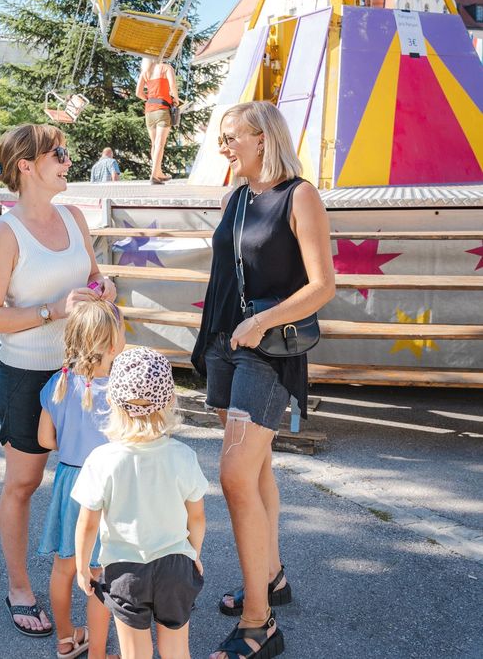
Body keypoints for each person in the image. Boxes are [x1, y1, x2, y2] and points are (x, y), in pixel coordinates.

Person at [191, 101, 335, 659]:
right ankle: (270, 576)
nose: (224, 146)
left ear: (262, 138)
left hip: (268, 353)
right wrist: (213, 341)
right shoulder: (236, 197)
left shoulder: (299, 196)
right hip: (228, 348)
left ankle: (260, 623)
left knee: (233, 475)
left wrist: (260, 321)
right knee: (257, 470)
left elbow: (322, 285)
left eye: (231, 137)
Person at [0, 123, 117, 639]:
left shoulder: (75, 217)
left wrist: (104, 288)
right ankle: (20, 588)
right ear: (27, 166)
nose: (67, 157)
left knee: (93, 477)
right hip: (27, 376)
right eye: (58, 152)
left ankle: (95, 577)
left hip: (85, 375)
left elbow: (96, 275)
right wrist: (52, 309)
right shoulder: (4, 234)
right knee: (24, 483)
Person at [73, 347, 208, 659]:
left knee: (135, 654)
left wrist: (82, 569)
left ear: (112, 399)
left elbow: (88, 522)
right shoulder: (182, 457)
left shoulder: (102, 460)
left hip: (125, 570)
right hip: (175, 565)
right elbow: (197, 518)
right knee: (177, 651)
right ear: (169, 400)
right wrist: (193, 554)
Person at [37, 300, 125, 659]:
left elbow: (45, 440)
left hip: (68, 484)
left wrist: (71, 446)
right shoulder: (117, 390)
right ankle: (99, 654)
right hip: (104, 490)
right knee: (98, 576)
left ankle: (65, 638)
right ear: (110, 345)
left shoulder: (58, 383)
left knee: (63, 567)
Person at [135, 57, 180, 185]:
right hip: (162, 109)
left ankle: (158, 172)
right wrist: (176, 99)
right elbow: (173, 86)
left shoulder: (145, 72)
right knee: (160, 144)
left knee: (154, 144)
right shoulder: (166, 68)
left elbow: (138, 93)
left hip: (149, 111)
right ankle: (154, 175)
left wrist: (149, 99)